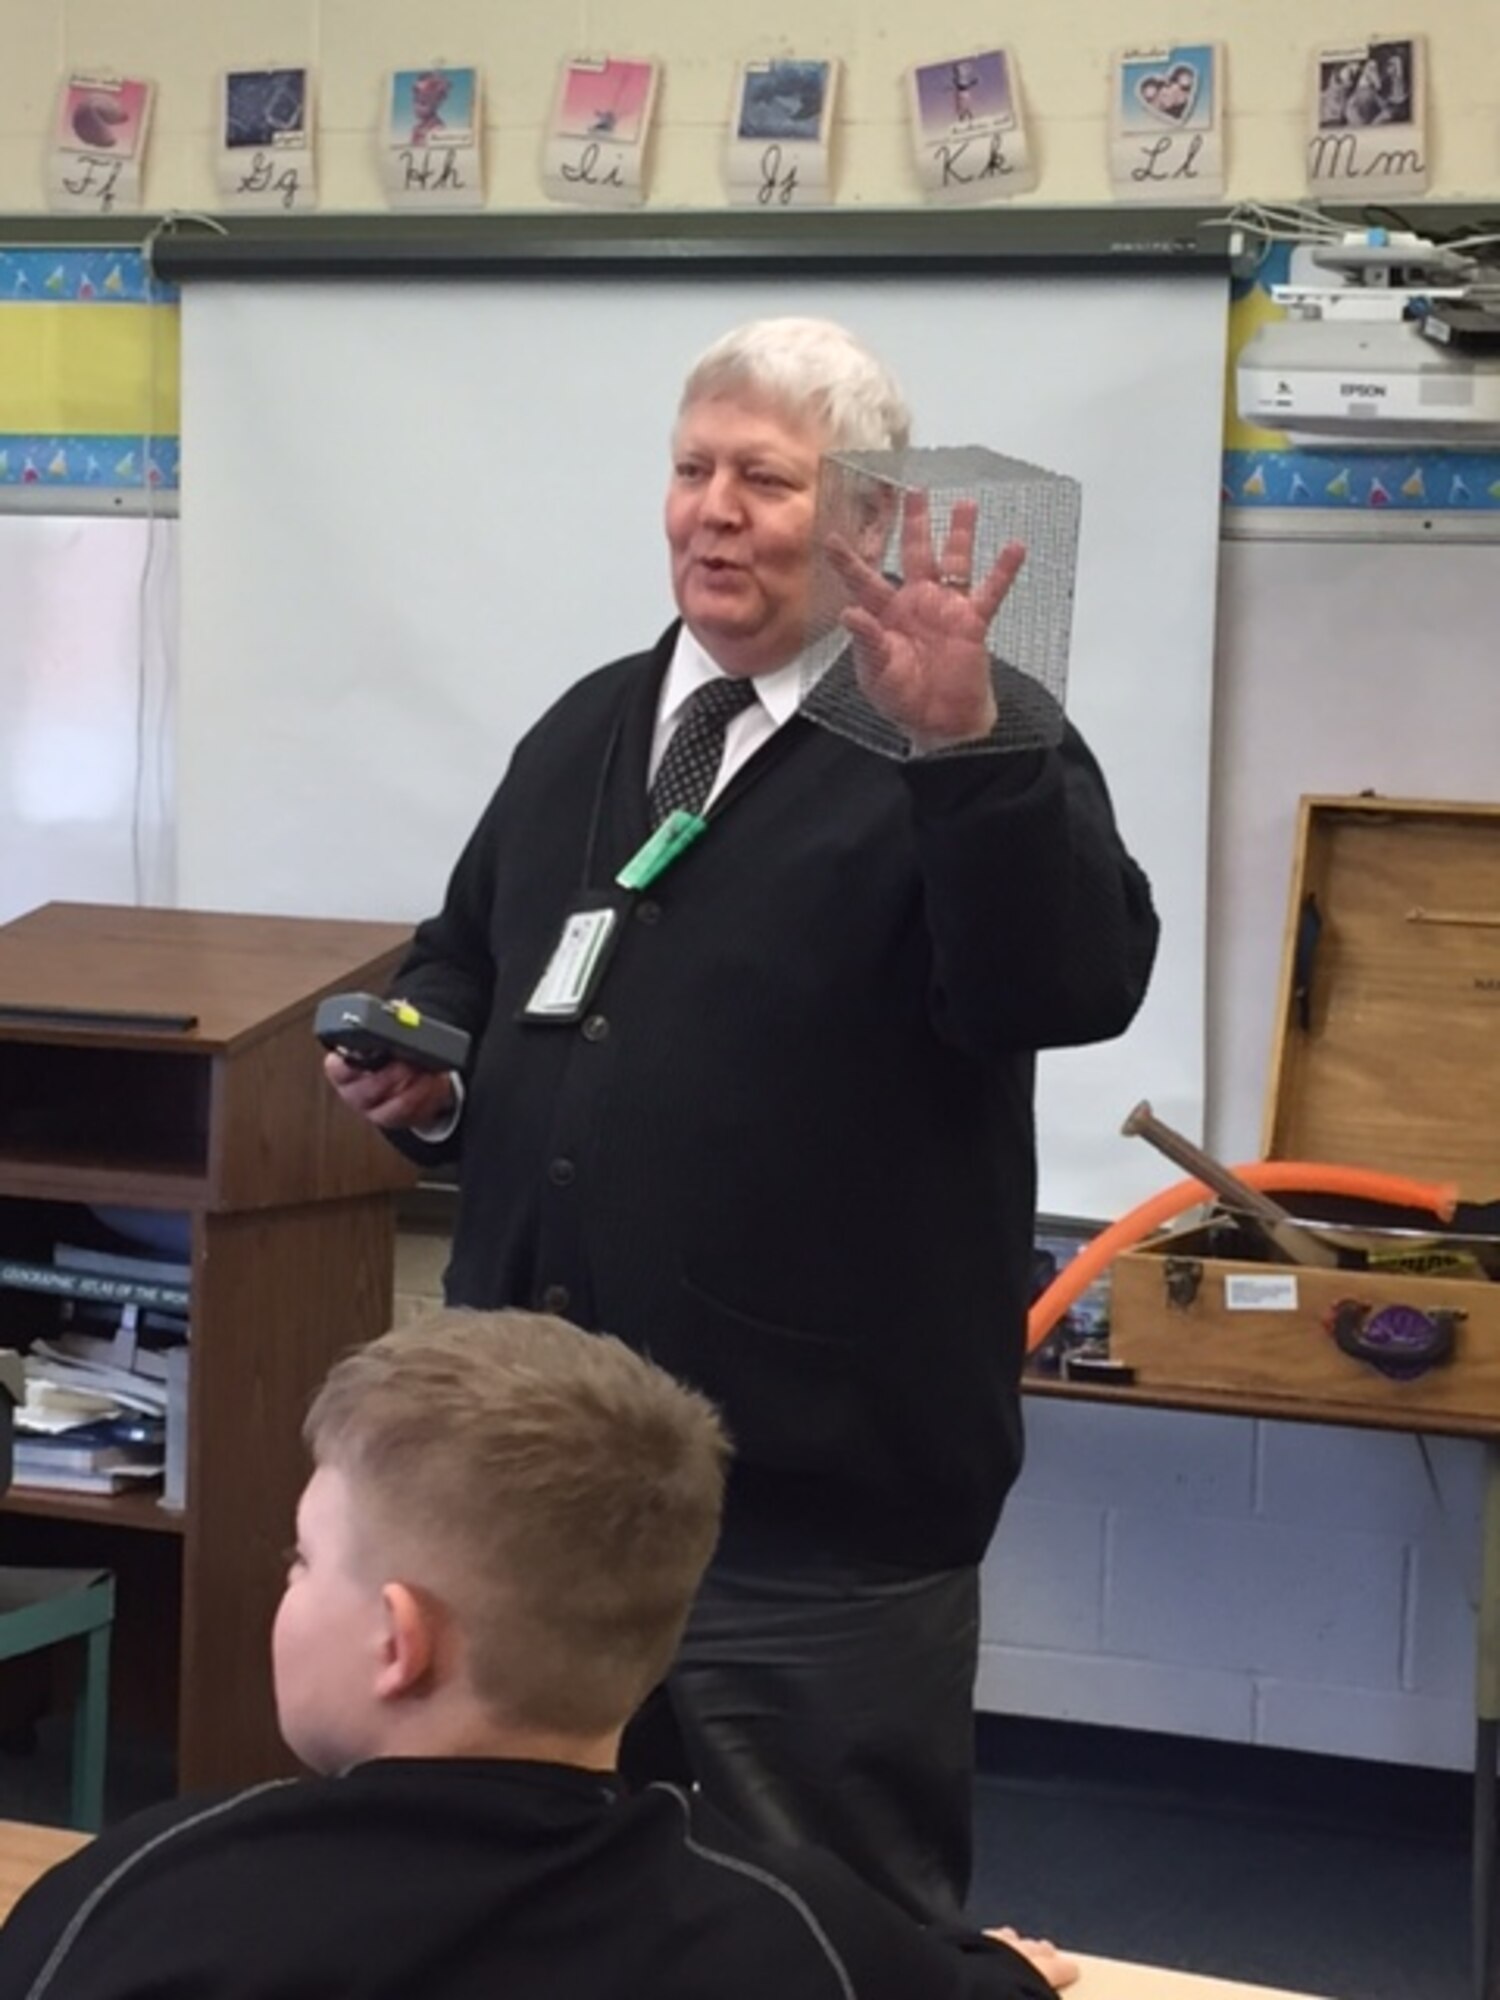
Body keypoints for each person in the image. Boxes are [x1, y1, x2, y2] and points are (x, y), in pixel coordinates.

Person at [323, 316, 1159, 1925]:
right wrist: (428, 1073)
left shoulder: (965, 728)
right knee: (538, 1914)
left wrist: (966, 754)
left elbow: (1061, 987)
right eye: (692, 468)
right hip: (548, 1491)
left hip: (816, 1519)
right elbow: (471, 953)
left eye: (764, 480)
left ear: (862, 518)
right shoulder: (588, 724)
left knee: (824, 1923)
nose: (713, 509)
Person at [0, 1310, 1076, 1999]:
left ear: (396, 1640)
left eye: (301, 1558)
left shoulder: (139, 1894)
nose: (282, 1581)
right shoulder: (799, 1933)